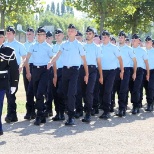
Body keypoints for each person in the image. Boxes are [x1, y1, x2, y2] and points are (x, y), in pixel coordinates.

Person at [47, 24, 89, 126]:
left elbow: (84, 61)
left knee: (71, 93)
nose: (70, 32)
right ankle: (69, 111)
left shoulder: (79, 45)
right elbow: (57, 56)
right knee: (64, 93)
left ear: (75, 33)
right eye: (69, 30)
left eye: (72, 30)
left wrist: (86, 74)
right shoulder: (64, 45)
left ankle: (71, 117)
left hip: (75, 71)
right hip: (65, 71)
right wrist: (50, 62)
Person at [21, 27, 57, 126]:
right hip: (35, 70)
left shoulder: (48, 47)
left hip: (45, 71)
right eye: (38, 34)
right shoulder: (33, 46)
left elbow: (53, 60)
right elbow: (27, 58)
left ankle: (38, 115)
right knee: (36, 93)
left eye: (41, 34)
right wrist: (21, 66)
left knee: (40, 93)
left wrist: (55, 74)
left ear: (45, 36)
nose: (39, 36)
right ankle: (41, 115)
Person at [4, 26, 29, 123]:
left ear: (14, 34)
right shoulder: (3, 45)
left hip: (15, 71)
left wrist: (21, 66)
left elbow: (24, 58)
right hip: (5, 71)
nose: (8, 34)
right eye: (7, 33)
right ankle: (12, 114)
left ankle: (11, 114)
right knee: (7, 92)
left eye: (10, 33)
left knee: (11, 92)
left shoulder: (19, 45)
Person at [79, 26, 103, 123]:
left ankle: (88, 113)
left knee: (89, 91)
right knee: (83, 92)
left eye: (90, 34)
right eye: (87, 33)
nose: (88, 35)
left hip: (92, 70)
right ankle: (85, 109)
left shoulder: (97, 47)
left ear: (93, 35)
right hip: (82, 70)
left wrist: (101, 76)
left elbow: (99, 63)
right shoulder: (82, 46)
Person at [99, 30, 124, 120]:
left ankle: (107, 111)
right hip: (101, 71)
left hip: (111, 72)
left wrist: (122, 71)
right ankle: (104, 107)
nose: (104, 38)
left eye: (106, 36)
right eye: (103, 36)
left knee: (107, 90)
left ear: (109, 38)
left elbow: (120, 60)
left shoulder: (114, 47)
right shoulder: (99, 47)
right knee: (101, 91)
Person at [0, 29, 19, 135]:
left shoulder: (8, 51)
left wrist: (14, 84)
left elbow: (14, 69)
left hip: (2, 81)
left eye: (1, 37)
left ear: (4, 39)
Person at [115, 31, 137, 117]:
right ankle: (121, 106)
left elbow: (135, 61)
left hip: (126, 70)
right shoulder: (115, 48)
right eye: (119, 37)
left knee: (123, 90)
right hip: (116, 70)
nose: (120, 38)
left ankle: (122, 109)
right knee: (117, 89)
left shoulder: (129, 49)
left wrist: (134, 72)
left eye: (122, 37)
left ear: (125, 38)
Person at [130, 34, 149, 114]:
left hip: (139, 71)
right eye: (133, 38)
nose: (133, 39)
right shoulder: (129, 49)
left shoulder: (142, 51)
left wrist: (147, 74)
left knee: (136, 89)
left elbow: (146, 63)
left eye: (135, 38)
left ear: (139, 41)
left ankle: (136, 106)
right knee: (131, 89)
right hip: (130, 70)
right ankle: (134, 103)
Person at [52, 28, 65, 121]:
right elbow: (53, 61)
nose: (57, 36)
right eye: (56, 35)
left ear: (63, 35)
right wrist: (55, 74)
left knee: (61, 92)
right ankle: (57, 112)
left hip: (64, 71)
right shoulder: (53, 47)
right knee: (55, 93)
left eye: (59, 35)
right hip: (54, 71)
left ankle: (62, 112)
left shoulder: (65, 46)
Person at [23, 27, 36, 120]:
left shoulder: (36, 44)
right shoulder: (24, 45)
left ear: (34, 34)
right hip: (26, 67)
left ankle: (36, 110)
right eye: (27, 34)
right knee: (28, 90)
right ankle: (29, 111)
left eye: (30, 34)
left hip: (35, 67)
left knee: (35, 90)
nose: (28, 36)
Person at [144, 36, 154, 111]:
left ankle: (150, 104)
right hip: (143, 71)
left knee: (151, 87)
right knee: (146, 87)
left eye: (149, 41)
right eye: (146, 42)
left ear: (151, 43)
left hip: (152, 71)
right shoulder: (143, 51)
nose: (147, 43)